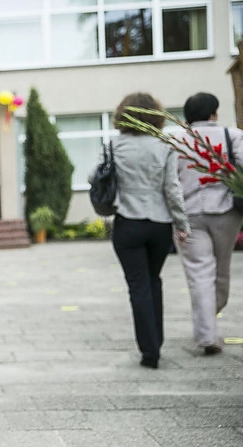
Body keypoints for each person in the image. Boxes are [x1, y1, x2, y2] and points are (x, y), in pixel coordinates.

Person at [92, 92, 190, 369]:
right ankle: (155, 341)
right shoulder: (164, 145)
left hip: (128, 223)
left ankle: (150, 352)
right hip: (160, 225)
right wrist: (182, 224)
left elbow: (93, 176)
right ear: (156, 114)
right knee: (154, 279)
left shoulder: (113, 145)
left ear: (123, 115)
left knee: (138, 285)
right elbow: (172, 189)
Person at [175, 92, 243, 355]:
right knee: (221, 270)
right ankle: (208, 329)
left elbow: (169, 179)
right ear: (213, 113)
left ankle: (207, 332)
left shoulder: (176, 139)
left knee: (199, 273)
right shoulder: (233, 135)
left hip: (188, 213)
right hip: (227, 212)